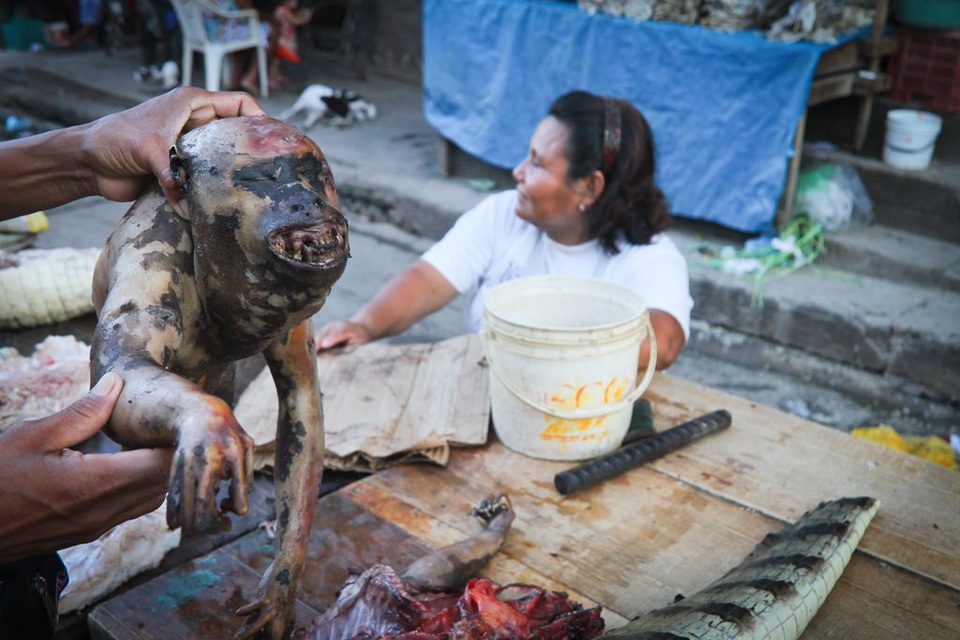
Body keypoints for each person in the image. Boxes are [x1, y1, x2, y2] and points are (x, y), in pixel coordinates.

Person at [0, 86, 266, 638]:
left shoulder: (274, 279)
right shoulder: (155, 254)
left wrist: (82, 153)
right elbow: (122, 369)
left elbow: (303, 412)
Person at [316, 90, 693, 371]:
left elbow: (664, 341)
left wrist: (542, 351)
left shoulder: (649, 256)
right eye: (528, 155)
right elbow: (428, 279)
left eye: (538, 164)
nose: (518, 172)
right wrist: (364, 326)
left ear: (590, 188)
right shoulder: (504, 214)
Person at [270, 0, 314, 89]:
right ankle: (272, 79)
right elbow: (296, 21)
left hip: (284, 39)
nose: (296, 2)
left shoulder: (286, 10)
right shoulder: (283, 10)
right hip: (281, 39)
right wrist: (306, 17)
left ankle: (277, 76)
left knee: (279, 60)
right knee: (276, 61)